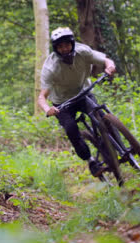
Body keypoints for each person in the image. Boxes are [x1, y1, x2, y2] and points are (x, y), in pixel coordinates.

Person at [37, 27, 116, 177]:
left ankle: (114, 147)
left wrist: (109, 65)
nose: (64, 49)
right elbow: (42, 97)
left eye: (66, 44)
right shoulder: (50, 67)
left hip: (83, 93)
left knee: (102, 117)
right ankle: (91, 161)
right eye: (60, 47)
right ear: (56, 49)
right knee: (71, 129)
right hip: (62, 103)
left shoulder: (83, 51)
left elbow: (105, 59)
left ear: (72, 43)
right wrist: (47, 109)